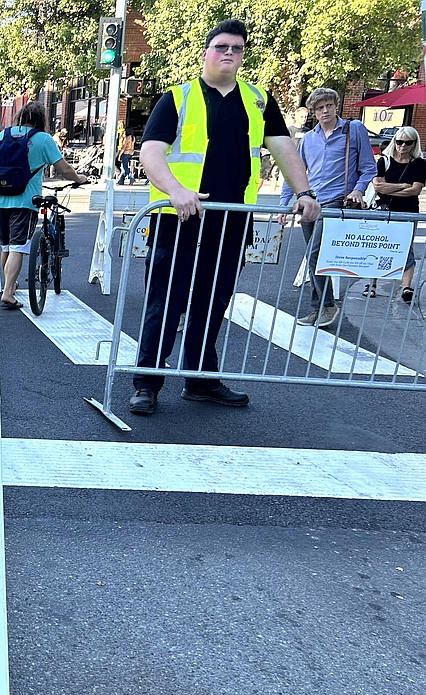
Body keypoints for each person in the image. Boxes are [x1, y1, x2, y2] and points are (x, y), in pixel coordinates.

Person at [128, 18, 320, 416]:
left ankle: (201, 380)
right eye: (221, 47)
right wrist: (176, 190)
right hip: (178, 218)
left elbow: (284, 148)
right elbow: (151, 152)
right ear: (205, 53)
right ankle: (147, 382)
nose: (229, 53)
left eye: (236, 47)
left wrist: (304, 192)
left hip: (232, 220)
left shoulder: (258, 100)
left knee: (212, 302)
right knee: (166, 300)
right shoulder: (177, 98)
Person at [280, 86, 377, 328]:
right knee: (316, 258)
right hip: (310, 202)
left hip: (336, 202)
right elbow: (295, 172)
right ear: (313, 111)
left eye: (329, 106)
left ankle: (327, 305)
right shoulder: (309, 139)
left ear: (336, 106)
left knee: (316, 255)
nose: (325, 111)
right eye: (320, 107)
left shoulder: (352, 130)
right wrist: (284, 204)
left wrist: (358, 189)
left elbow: (369, 167)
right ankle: (320, 307)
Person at [0, 101, 88, 310]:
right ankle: (8, 293)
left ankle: (10, 284)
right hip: (25, 200)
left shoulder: (4, 134)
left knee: (6, 245)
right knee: (18, 246)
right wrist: (79, 178)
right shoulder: (43, 139)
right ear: (41, 119)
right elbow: (64, 169)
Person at [371, 126, 426, 303]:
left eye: (407, 142)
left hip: (408, 211)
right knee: (378, 246)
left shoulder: (419, 164)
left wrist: (391, 188)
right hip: (384, 210)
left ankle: (406, 287)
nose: (402, 146)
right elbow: (378, 186)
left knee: (406, 248)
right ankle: (372, 284)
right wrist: (403, 186)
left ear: (414, 144)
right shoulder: (384, 161)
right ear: (394, 141)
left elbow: (415, 190)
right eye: (399, 141)